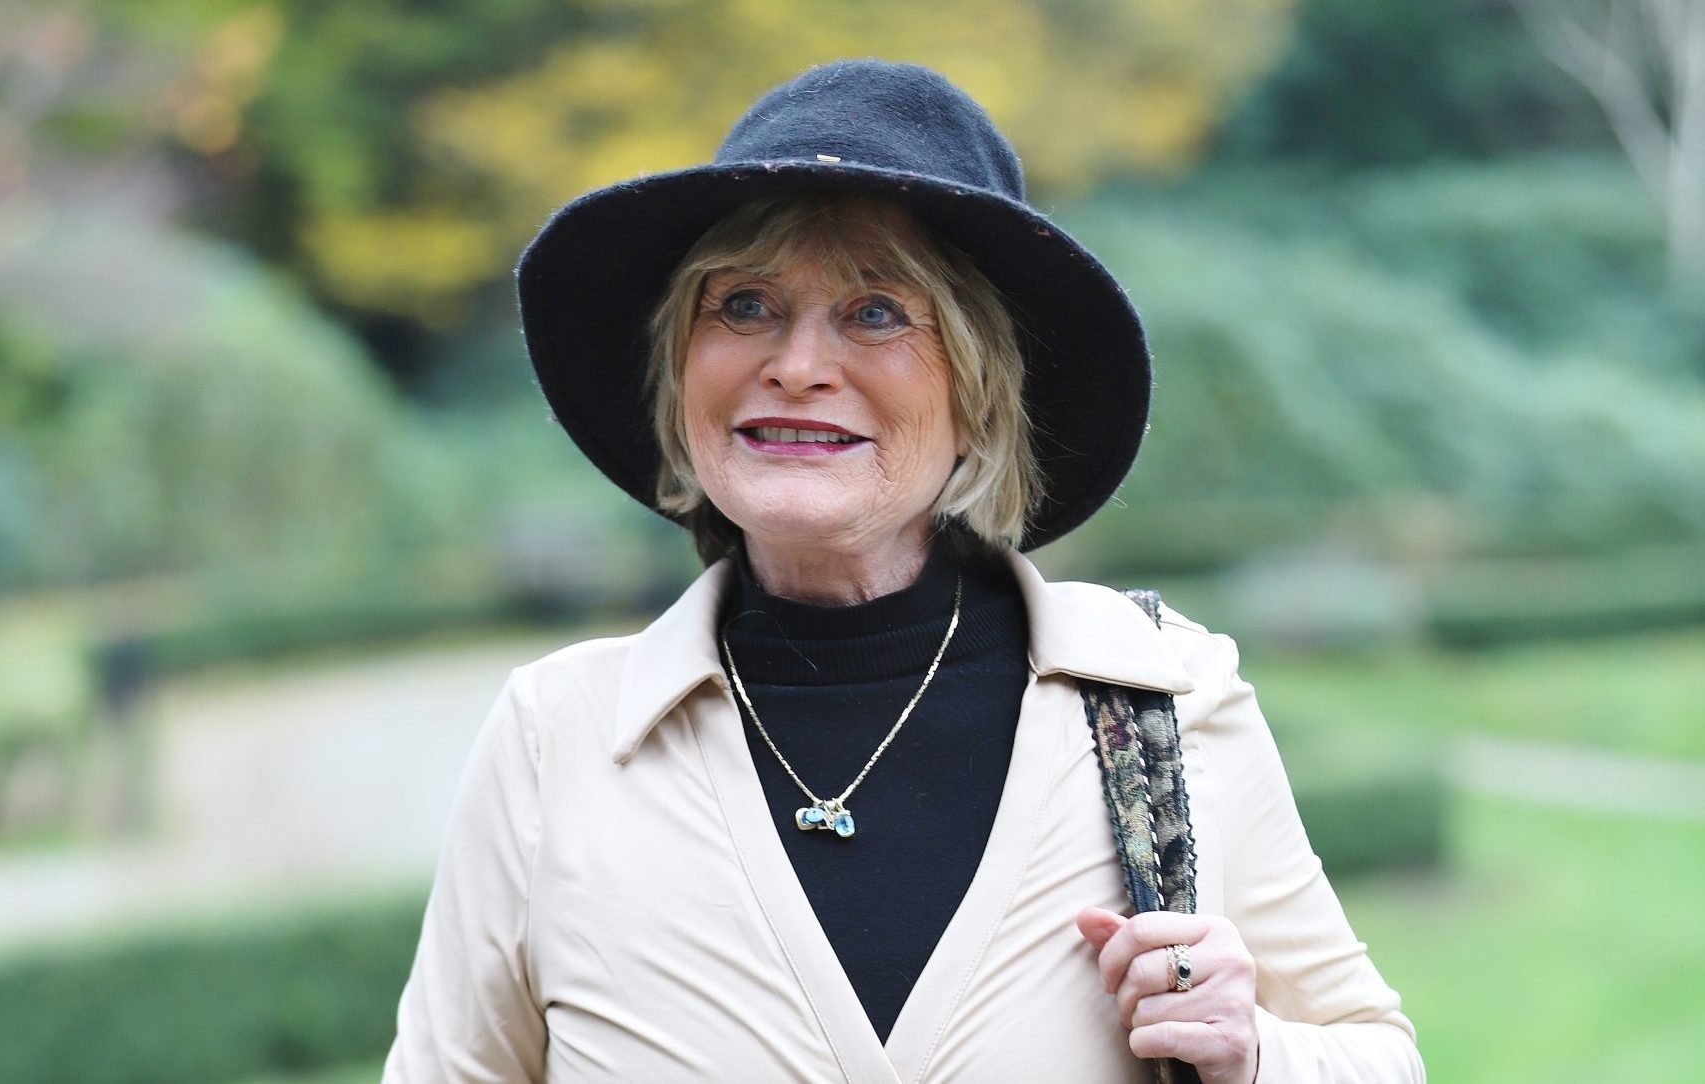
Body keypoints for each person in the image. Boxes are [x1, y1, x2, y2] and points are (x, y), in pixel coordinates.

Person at [384, 60, 1425, 1083]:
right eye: (742, 305)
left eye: (876, 312)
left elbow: (1380, 1056)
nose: (796, 365)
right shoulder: (555, 738)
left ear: (980, 392)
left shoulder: (1158, 695)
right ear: (679, 370)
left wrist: (1256, 1053)